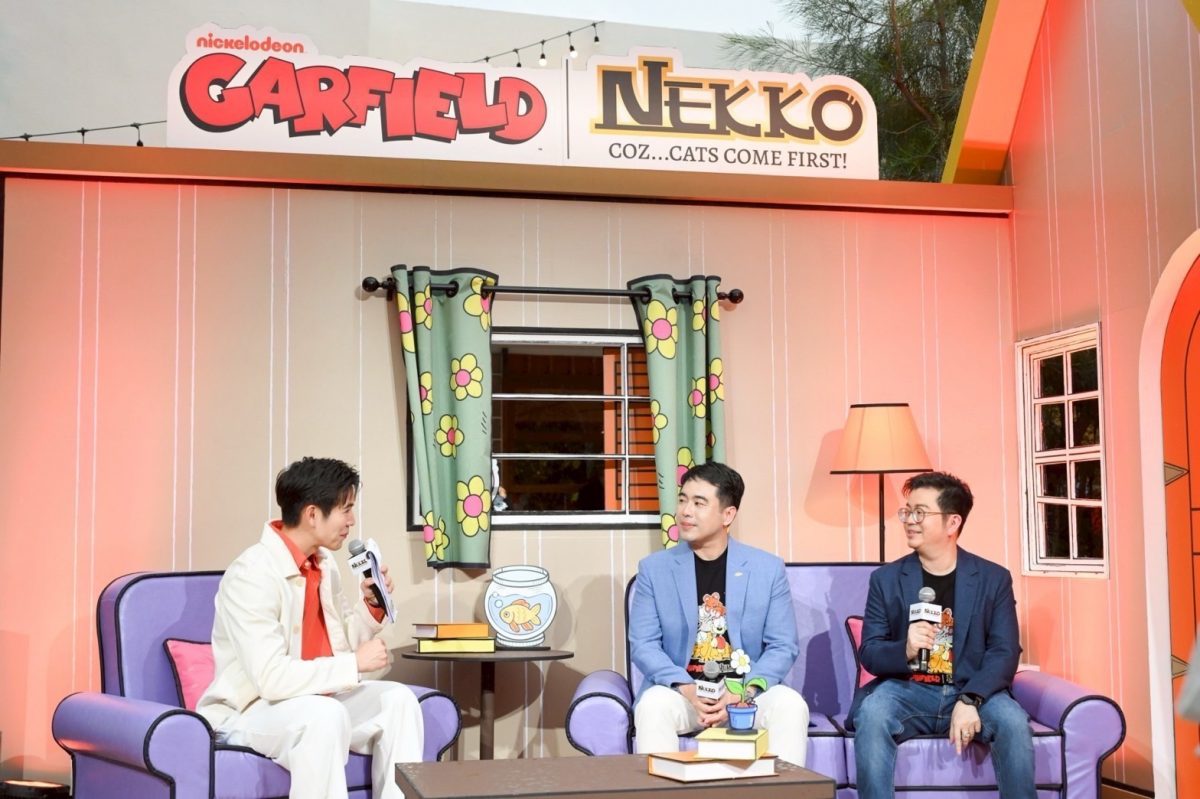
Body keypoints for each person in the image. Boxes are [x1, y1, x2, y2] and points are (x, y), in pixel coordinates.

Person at [196, 457, 422, 799]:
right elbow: (271, 679)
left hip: (314, 700)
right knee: (324, 716)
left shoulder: (324, 565)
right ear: (313, 514)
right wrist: (353, 664)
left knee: (398, 701)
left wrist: (371, 608)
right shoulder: (252, 575)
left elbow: (339, 647)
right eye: (346, 509)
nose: (352, 521)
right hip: (251, 710)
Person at [848, 471, 1034, 799]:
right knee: (873, 714)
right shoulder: (886, 579)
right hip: (908, 689)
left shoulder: (993, 579)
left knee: (1013, 722)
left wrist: (971, 699)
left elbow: (1005, 651)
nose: (909, 520)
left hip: (972, 688)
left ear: (952, 522)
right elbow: (871, 653)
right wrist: (905, 648)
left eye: (920, 512)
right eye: (907, 511)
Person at [628, 461, 810, 765]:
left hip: (745, 694)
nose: (685, 511)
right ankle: (661, 787)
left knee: (790, 705)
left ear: (728, 514)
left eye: (699, 503)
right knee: (652, 705)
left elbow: (783, 646)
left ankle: (784, 788)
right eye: (683, 500)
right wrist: (687, 689)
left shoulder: (767, 569)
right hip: (683, 693)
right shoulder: (654, 569)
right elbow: (643, 645)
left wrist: (743, 693)